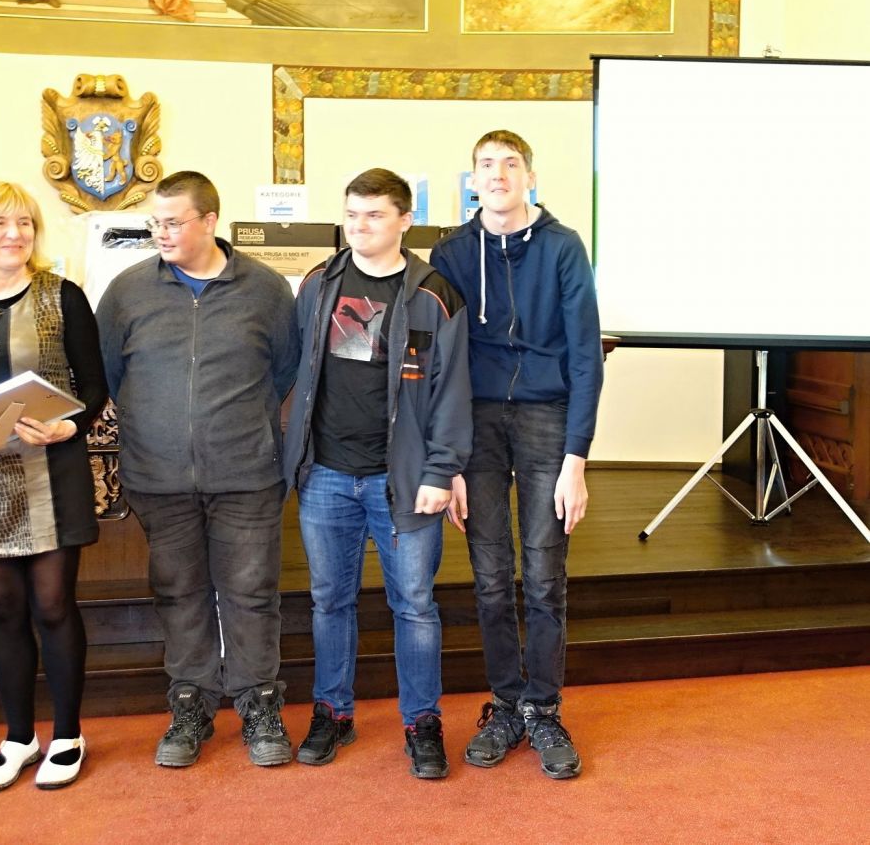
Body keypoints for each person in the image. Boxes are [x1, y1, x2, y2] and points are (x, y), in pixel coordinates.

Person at [96, 170, 299, 768]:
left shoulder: (265, 290)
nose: (161, 233)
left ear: (209, 221)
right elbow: (110, 373)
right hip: (158, 478)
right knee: (179, 593)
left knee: (251, 593)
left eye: (173, 222)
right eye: (154, 223)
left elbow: (284, 371)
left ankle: (259, 703)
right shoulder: (127, 292)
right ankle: (191, 703)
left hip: (246, 474)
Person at [284, 168, 471, 779]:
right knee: (329, 601)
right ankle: (333, 712)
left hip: (404, 480)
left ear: (404, 220)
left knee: (414, 605)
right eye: (352, 214)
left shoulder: (434, 295)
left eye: (374, 215)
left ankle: (421, 722)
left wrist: (441, 470)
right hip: (327, 476)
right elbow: (295, 373)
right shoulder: (319, 283)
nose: (359, 226)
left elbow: (451, 391)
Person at [429, 130, 604, 780]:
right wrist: (448, 459)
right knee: (491, 575)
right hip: (475, 424)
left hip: (545, 419)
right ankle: (506, 705)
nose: (497, 173)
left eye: (510, 163)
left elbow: (586, 357)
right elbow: (442, 361)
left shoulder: (563, 248)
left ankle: (545, 708)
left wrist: (576, 460)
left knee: (544, 571)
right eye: (486, 164)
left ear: (530, 176)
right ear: (473, 179)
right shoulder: (451, 253)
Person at [0, 182, 107, 791]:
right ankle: (18, 737)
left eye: (25, 223)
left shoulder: (62, 296)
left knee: (53, 605)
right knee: (2, 609)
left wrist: (67, 425)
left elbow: (94, 385)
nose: (14, 234)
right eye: (0, 223)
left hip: (48, 471)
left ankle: (67, 734)